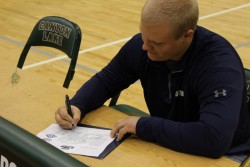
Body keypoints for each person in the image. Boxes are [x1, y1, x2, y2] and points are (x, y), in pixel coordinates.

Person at [55, 0, 250, 158]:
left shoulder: (219, 66)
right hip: (166, 142)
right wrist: (78, 105)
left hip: (225, 156)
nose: (145, 47)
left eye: (156, 43)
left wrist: (143, 126)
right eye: (143, 36)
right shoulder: (145, 45)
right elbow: (107, 80)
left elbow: (213, 139)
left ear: (187, 36)